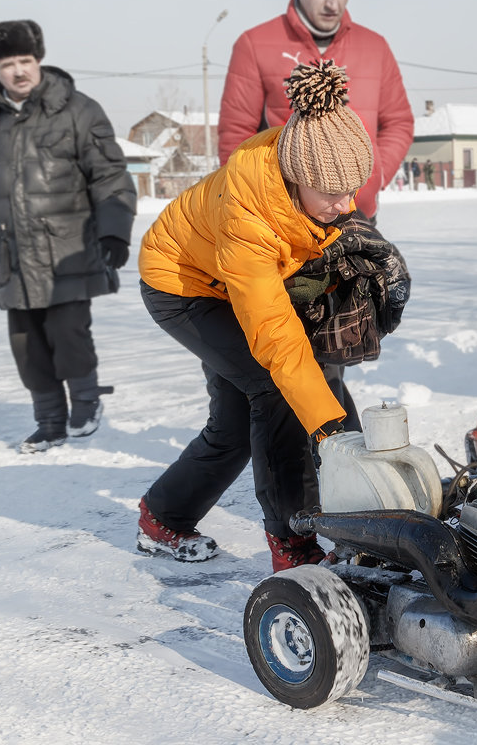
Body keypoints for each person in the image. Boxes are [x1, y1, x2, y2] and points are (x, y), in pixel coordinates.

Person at [135, 61, 377, 572]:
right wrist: (329, 429)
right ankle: (294, 542)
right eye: (334, 194)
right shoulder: (250, 214)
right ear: (297, 179)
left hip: (231, 279)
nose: (346, 203)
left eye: (352, 189)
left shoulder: (304, 164)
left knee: (238, 420)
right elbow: (276, 338)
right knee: (277, 389)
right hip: (183, 285)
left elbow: (309, 237)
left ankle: (164, 517)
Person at [0, 20, 136, 453]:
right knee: (26, 343)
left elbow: (110, 176)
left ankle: (85, 405)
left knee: (69, 332)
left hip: (69, 248)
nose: (18, 71)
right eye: (7, 64)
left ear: (39, 60)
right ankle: (49, 420)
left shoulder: (77, 109)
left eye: (26, 61)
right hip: (12, 253)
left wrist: (115, 233)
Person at [217, 0, 413, 225]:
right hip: (284, 216)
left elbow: (399, 122)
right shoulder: (254, 44)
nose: (333, 2)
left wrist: (374, 175)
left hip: (357, 212)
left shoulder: (375, 46)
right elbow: (236, 136)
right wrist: (257, 199)